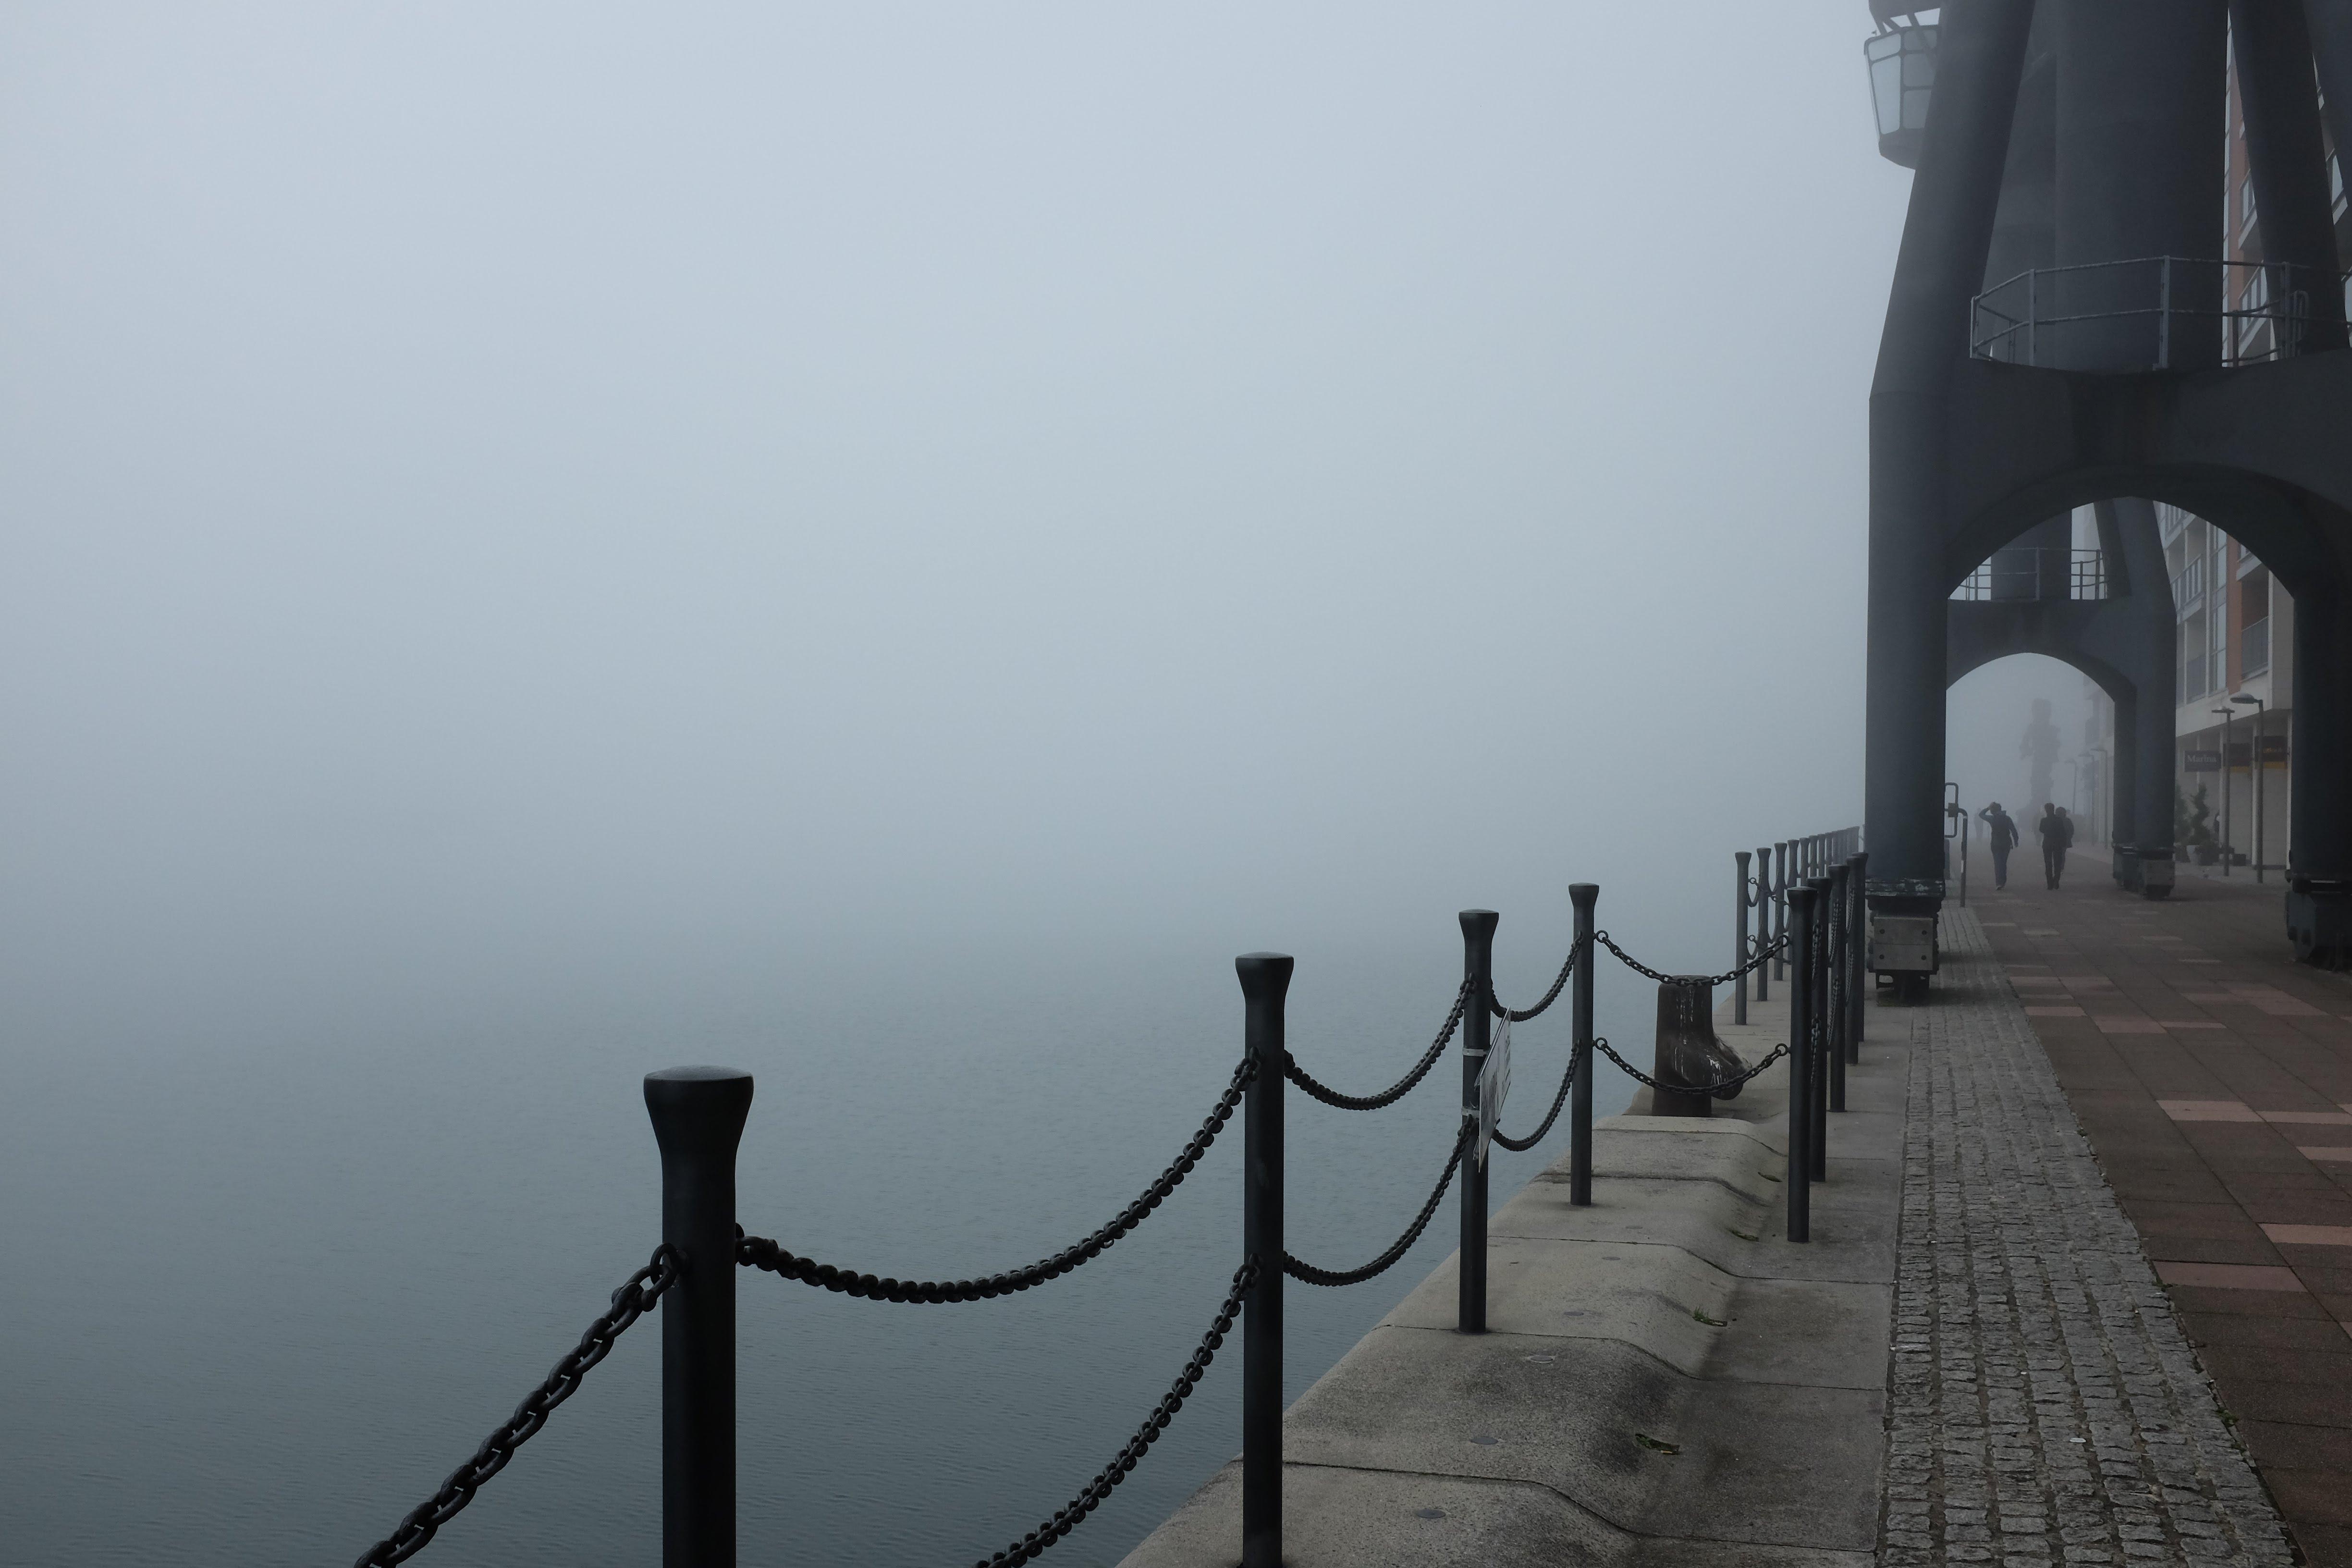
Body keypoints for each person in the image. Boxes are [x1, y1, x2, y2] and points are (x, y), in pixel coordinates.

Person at [1979, 801, 2019, 891]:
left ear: (1993, 811)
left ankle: (1999, 883)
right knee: (2003, 863)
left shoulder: (1992, 819)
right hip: (2006, 844)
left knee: (1998, 864)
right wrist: (2016, 841)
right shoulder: (2007, 818)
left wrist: (1988, 807)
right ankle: (2003, 881)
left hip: (1996, 844)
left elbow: (1981, 815)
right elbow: (2013, 830)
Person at [2038, 802, 2069, 889]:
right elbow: (2063, 832)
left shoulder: (2044, 820)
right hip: (2058, 844)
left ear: (2046, 810)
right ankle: (2056, 881)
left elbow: (2041, 830)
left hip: (2047, 843)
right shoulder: (2059, 820)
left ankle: (2050, 883)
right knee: (2057, 864)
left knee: (2048, 864)